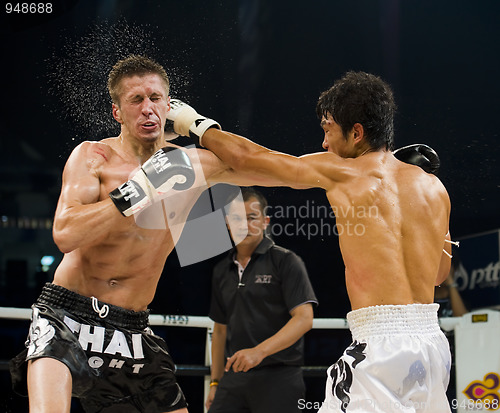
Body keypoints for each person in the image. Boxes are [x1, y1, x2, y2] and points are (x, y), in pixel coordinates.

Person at [166, 71, 455, 412]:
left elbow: (252, 159)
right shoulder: (435, 189)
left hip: (380, 348)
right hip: (434, 347)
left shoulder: (343, 171)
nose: (324, 143)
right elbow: (439, 276)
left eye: (328, 129)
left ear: (357, 132)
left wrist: (193, 123)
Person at [9, 55, 276, 413]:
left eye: (155, 98)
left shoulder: (189, 163)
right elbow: (65, 234)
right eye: (136, 100)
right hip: (66, 316)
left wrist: (200, 127)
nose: (147, 109)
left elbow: (266, 165)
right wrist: (134, 192)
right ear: (118, 112)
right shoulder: (93, 157)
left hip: (132, 328)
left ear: (169, 107)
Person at [206, 187, 318, 412]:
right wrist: (215, 382)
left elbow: (304, 318)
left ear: (265, 221)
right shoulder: (221, 270)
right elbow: (220, 330)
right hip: (233, 377)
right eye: (237, 218)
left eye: (252, 217)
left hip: (280, 377)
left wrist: (259, 352)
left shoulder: (286, 261)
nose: (244, 225)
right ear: (227, 223)